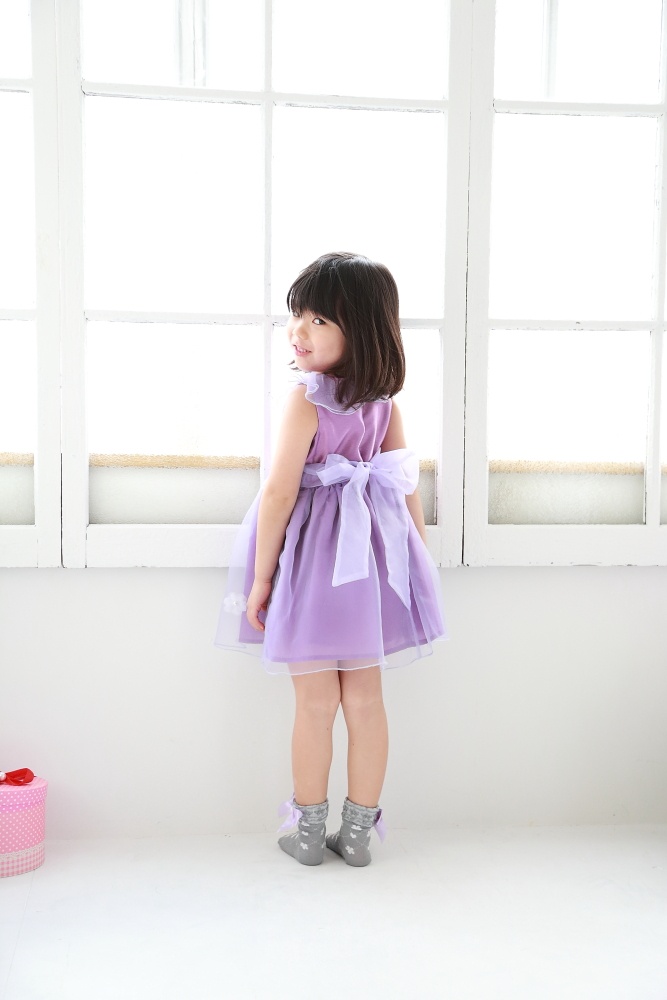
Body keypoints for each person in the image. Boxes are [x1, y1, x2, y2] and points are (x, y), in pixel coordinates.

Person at [215, 252, 447, 866]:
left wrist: (261, 577)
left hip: (316, 564)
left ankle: (309, 834)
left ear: (363, 330)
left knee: (315, 704)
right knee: (366, 702)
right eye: (297, 314)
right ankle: (359, 835)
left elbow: (279, 493)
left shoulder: (306, 400)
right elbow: (404, 485)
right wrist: (418, 561)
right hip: (370, 564)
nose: (299, 330)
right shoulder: (385, 405)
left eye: (318, 319)